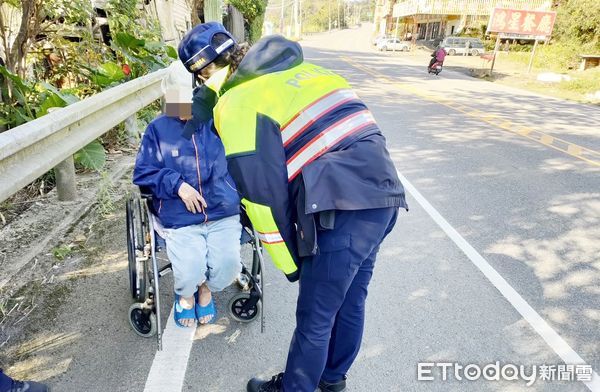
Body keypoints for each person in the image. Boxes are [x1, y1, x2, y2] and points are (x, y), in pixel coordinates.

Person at [178, 23, 407, 391]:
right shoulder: (308, 70)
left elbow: (261, 197)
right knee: (350, 301)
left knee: (315, 318)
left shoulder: (237, 102)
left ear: (204, 74)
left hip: (340, 208)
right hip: (384, 194)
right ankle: (332, 381)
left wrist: (291, 265)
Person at [133, 60, 242, 327]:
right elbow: (142, 173)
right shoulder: (158, 129)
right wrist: (177, 184)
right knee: (189, 269)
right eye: (177, 103)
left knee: (228, 267)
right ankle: (187, 296)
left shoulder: (220, 121)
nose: (184, 113)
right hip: (179, 216)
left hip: (221, 210)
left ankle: (206, 289)